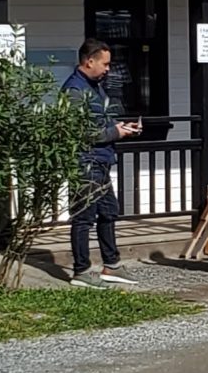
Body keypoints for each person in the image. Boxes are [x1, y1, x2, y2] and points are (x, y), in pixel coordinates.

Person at [63, 38, 141, 288]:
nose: (108, 69)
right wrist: (115, 133)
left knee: (108, 212)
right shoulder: (75, 90)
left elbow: (100, 122)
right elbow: (79, 131)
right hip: (84, 162)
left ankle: (111, 265)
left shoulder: (96, 86)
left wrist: (120, 127)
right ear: (89, 61)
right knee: (83, 216)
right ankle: (82, 270)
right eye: (105, 64)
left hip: (102, 160)